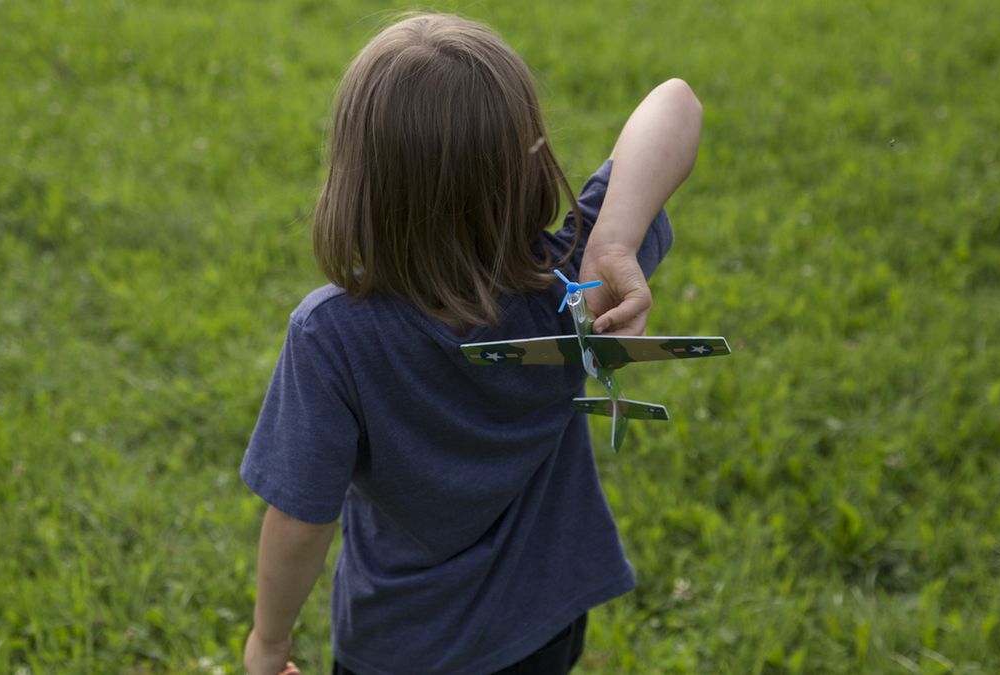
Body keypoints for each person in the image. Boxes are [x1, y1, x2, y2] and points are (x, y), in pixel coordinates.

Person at [239, 12, 701, 675]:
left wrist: (269, 642)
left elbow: (301, 520)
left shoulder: (331, 335)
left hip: (402, 647)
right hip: (545, 624)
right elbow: (676, 103)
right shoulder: (569, 279)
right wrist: (615, 239)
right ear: (526, 161)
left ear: (359, 184)